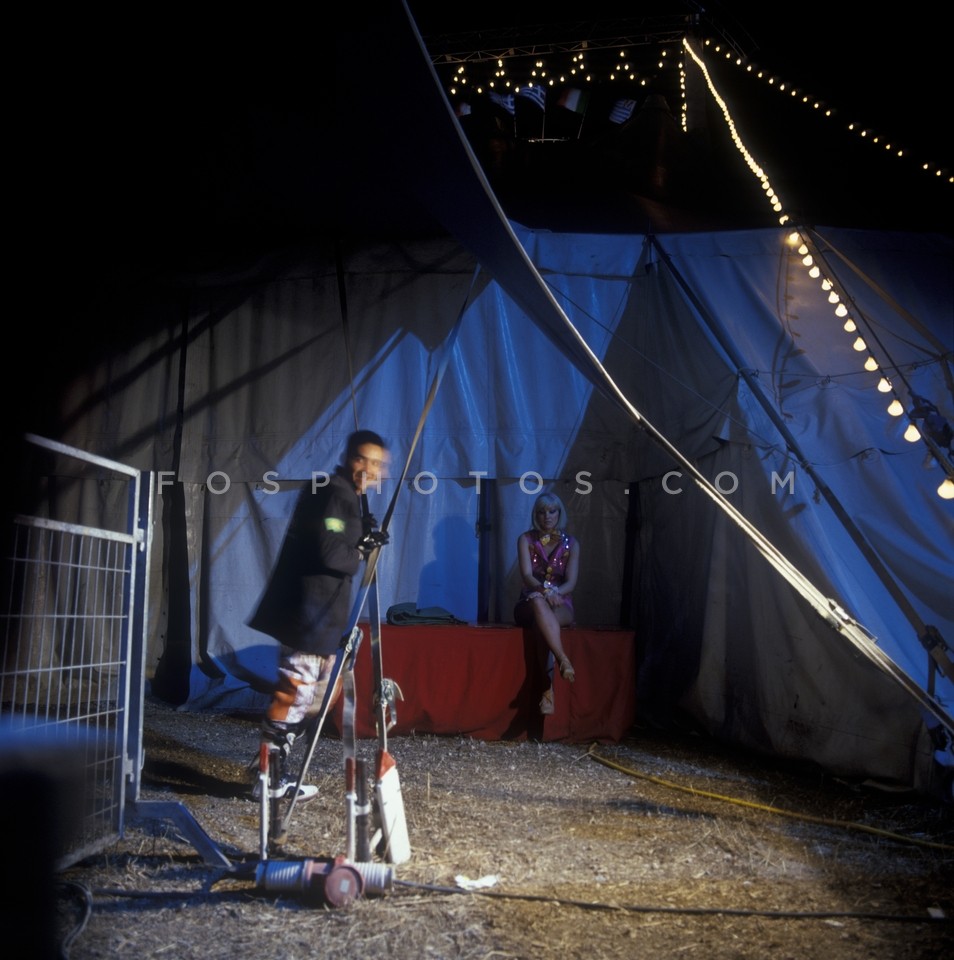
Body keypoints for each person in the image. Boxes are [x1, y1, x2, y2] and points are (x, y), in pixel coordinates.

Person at [248, 429, 390, 798]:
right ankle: (267, 778)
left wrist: (361, 535)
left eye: (377, 463)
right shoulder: (332, 491)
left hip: (322, 616)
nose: (369, 469)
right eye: (362, 459)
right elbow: (330, 551)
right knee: (295, 695)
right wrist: (361, 550)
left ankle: (268, 765)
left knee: (318, 697)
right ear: (348, 458)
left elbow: (337, 538)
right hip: (310, 613)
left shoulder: (347, 495)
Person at [513, 492, 579, 715]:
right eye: (542, 512)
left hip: (560, 602)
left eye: (552, 511)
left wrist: (555, 593)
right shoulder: (526, 539)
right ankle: (562, 659)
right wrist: (545, 591)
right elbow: (527, 575)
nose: (547, 516)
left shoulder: (572, 544)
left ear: (559, 513)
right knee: (538, 602)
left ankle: (547, 691)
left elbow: (571, 582)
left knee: (542, 627)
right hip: (529, 602)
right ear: (536, 515)